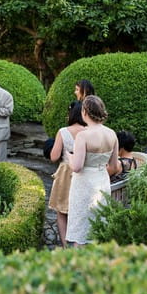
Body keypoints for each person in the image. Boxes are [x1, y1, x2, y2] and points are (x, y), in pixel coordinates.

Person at [66, 95, 119, 247]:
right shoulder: (111, 134)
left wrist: (69, 157)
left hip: (83, 184)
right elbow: (114, 166)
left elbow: (77, 167)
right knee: (98, 225)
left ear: (84, 112)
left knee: (81, 229)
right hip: (102, 182)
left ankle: (80, 264)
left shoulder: (83, 135)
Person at [48, 101, 86, 248]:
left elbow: (54, 156)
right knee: (80, 211)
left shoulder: (63, 132)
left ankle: (65, 246)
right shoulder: (89, 131)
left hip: (65, 174)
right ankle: (79, 244)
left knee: (61, 211)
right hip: (83, 172)